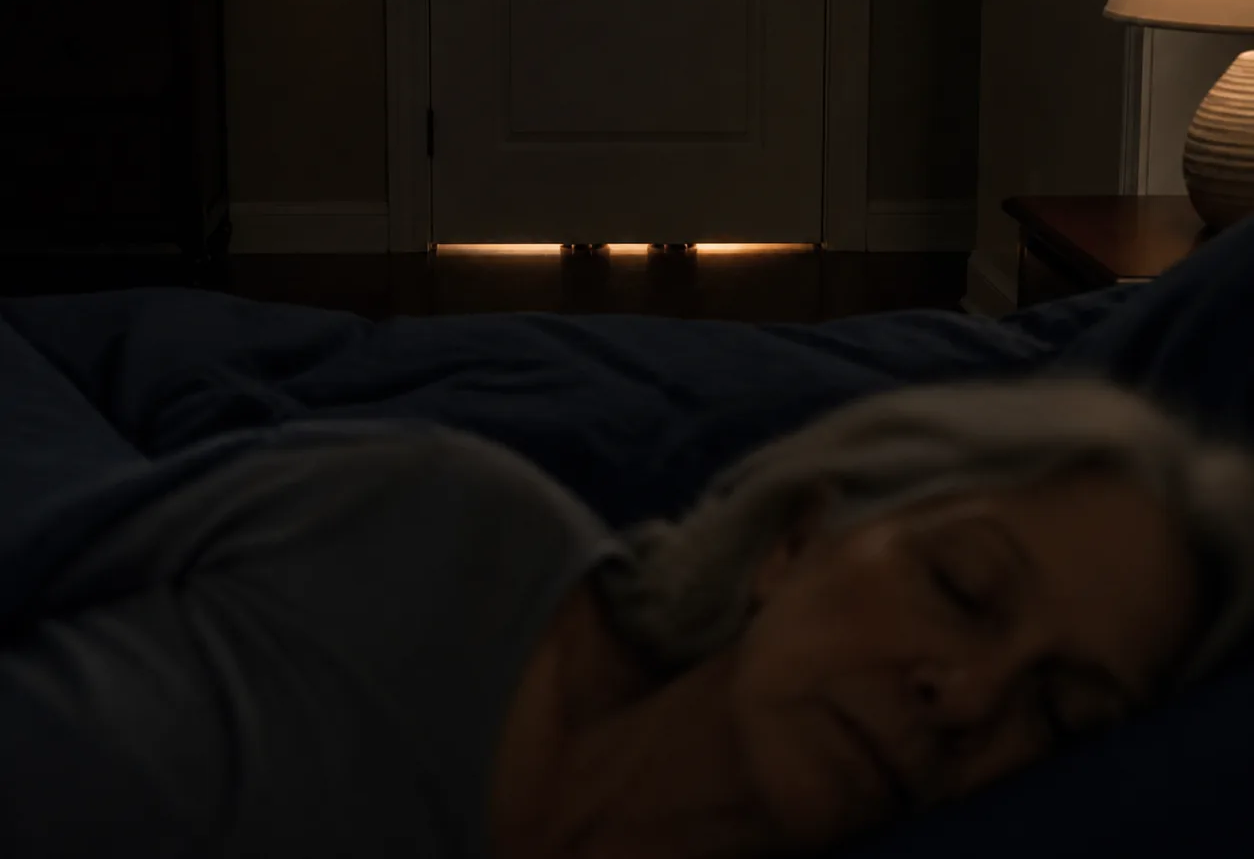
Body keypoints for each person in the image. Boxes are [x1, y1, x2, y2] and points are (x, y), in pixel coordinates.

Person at [0, 379, 1252, 858]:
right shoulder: (420, 523)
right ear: (797, 539)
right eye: (962, 588)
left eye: (1058, 711)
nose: (967, 699)